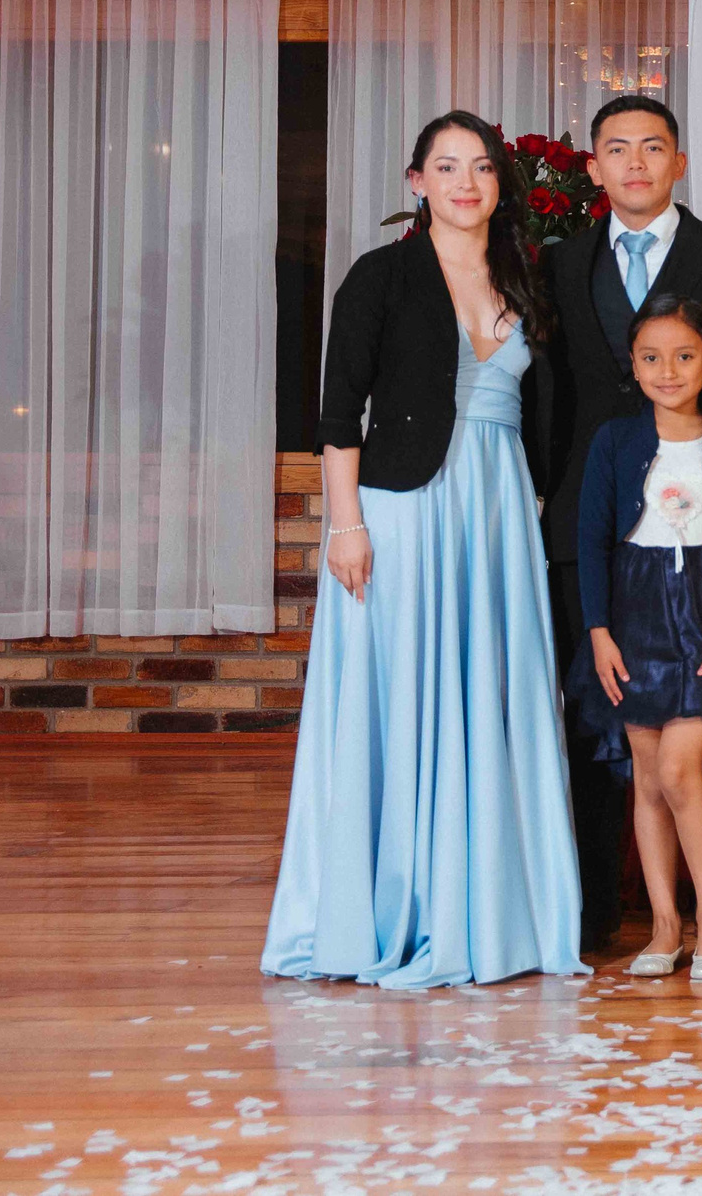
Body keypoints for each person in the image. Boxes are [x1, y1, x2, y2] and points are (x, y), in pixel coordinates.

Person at [262, 110, 586, 989]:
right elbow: (338, 413)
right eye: (446, 167)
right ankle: (398, 907)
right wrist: (346, 525)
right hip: (401, 510)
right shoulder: (381, 276)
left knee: (492, 692)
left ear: (500, 184)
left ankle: (493, 908)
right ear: (417, 182)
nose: (465, 183)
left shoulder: (528, 280)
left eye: (480, 167)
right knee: (402, 692)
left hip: (499, 513)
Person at [543, 94, 702, 954]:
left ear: (679, 162)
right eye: (617, 149)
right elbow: (549, 391)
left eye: (653, 147)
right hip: (589, 525)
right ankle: (599, 909)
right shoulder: (560, 262)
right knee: (600, 719)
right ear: (594, 167)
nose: (636, 163)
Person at [573, 295, 702, 981]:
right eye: (651, 357)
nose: (668, 370)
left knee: (679, 769)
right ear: (632, 365)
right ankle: (665, 924)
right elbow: (592, 541)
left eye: (684, 356)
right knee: (648, 779)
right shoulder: (614, 441)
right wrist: (599, 632)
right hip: (633, 619)